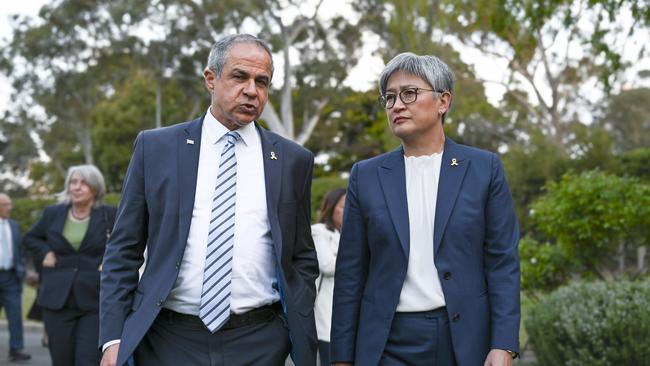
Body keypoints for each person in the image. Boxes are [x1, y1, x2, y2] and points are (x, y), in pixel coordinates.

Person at [99, 34, 318, 366]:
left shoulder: (292, 160)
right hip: (168, 340)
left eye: (262, 81)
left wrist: (291, 325)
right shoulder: (156, 148)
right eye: (239, 76)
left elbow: (302, 256)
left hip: (260, 341)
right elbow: (123, 250)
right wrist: (113, 339)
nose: (251, 90)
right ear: (211, 79)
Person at [330, 53, 521, 366]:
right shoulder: (366, 176)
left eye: (409, 93)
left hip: (462, 339)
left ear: (443, 101)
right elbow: (351, 272)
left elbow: (502, 262)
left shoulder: (483, 168)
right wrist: (341, 358)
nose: (397, 105)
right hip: (386, 342)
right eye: (389, 97)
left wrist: (504, 344)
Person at [23, 165, 116, 366]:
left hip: (94, 301)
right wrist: (44, 252)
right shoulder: (53, 213)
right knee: (61, 360)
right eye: (73, 182)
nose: (77, 187)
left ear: (95, 188)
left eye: (83, 183)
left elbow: (125, 244)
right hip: (57, 301)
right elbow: (31, 238)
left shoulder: (109, 214)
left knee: (88, 360)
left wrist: (108, 261)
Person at [312, 188, 346, 366]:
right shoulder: (319, 232)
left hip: (347, 314)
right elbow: (327, 265)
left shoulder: (346, 234)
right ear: (331, 207)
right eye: (342, 206)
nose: (347, 210)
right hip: (327, 312)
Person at [0, 193, 31, 362]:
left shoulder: (14, 225)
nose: (9, 208)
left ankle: (16, 349)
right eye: (5, 204)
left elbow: (19, 250)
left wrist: (21, 270)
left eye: (10, 204)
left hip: (11, 277)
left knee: (15, 315)